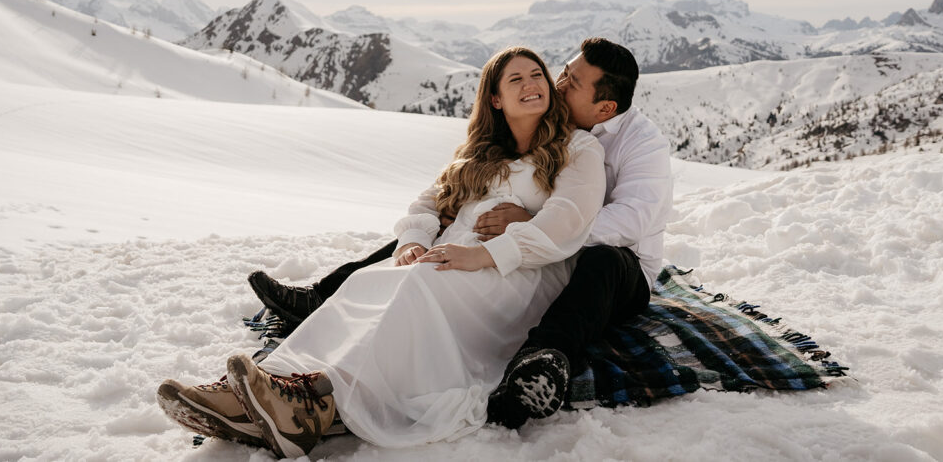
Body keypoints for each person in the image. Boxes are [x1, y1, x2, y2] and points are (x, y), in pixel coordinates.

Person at [158, 46, 608, 457]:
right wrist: (413, 241)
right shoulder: (479, 154)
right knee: (366, 282)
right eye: (516, 79)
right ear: (495, 99)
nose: (532, 84)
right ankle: (263, 388)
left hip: (523, 272)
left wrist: (485, 254)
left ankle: (315, 403)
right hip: (457, 258)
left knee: (422, 286)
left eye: (537, 75)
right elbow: (427, 203)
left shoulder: (577, 148)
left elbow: (568, 219)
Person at [248, 38, 673, 428]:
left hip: (618, 265)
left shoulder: (634, 145)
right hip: (529, 244)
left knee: (598, 261)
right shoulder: (532, 132)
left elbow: (627, 223)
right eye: (562, 72)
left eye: (572, 83)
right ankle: (322, 304)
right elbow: (438, 199)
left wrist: (526, 222)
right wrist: (437, 231)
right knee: (433, 239)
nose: (557, 85)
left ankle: (542, 361)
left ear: (605, 108)